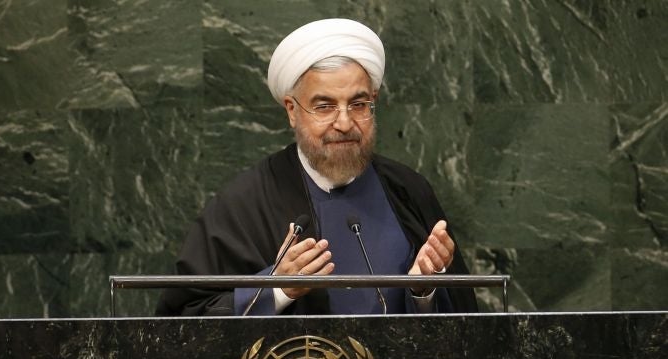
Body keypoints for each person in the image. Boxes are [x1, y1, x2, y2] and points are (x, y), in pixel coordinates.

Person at [156, 18, 478, 316]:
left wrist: (422, 290)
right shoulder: (243, 205)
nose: (344, 122)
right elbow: (184, 322)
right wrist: (278, 288)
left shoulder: (407, 190)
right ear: (292, 111)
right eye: (324, 106)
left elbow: (465, 328)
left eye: (358, 104)